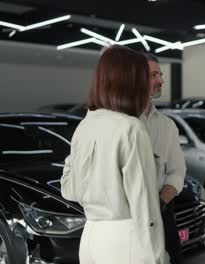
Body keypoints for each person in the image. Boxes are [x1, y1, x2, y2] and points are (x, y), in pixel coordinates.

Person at [61, 45, 168, 264]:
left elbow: (68, 189)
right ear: (132, 83)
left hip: (90, 236)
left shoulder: (85, 125)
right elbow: (145, 207)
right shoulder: (131, 128)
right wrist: (158, 257)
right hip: (125, 239)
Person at [141, 53, 187, 264]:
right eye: (153, 75)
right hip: (131, 218)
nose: (161, 80)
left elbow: (177, 170)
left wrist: (161, 200)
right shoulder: (121, 122)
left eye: (160, 74)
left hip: (163, 212)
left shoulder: (167, 125)